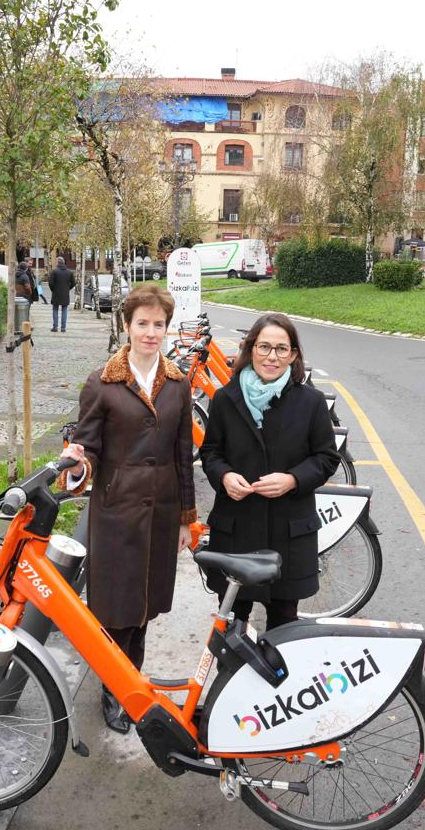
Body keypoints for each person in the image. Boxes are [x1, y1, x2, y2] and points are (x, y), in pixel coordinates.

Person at [59, 284, 196, 733]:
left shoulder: (177, 384)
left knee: (144, 607)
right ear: (127, 326)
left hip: (160, 513)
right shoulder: (103, 382)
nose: (151, 333)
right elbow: (88, 445)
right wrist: (78, 465)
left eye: (159, 325)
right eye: (143, 323)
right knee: (116, 608)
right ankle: (113, 690)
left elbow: (182, 456)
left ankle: (131, 679)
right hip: (116, 513)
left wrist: (185, 519)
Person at [198, 312, 339, 631]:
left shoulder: (311, 403)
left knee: (284, 629)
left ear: (293, 355)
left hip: (288, 535)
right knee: (232, 630)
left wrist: (292, 480)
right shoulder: (225, 399)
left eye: (280, 349)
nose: (271, 357)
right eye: (263, 347)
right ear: (251, 349)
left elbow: (326, 458)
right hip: (237, 531)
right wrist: (224, 476)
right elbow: (211, 452)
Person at [48, 256, 75, 332]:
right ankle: (63, 327)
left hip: (56, 293)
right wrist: (67, 289)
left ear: (57, 263)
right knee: (64, 310)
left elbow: (50, 283)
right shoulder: (69, 272)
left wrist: (53, 289)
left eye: (56, 262)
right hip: (65, 294)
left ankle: (55, 327)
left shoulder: (54, 272)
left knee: (55, 309)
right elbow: (73, 283)